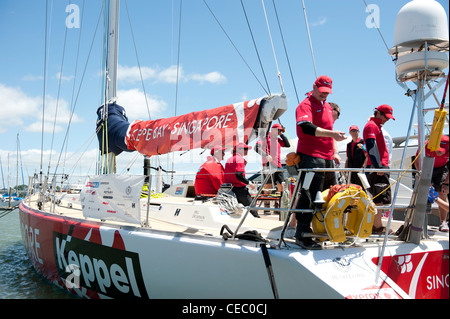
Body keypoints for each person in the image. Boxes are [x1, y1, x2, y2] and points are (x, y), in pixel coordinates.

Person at [294, 75, 346, 249]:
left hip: (327, 157)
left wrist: (334, 152)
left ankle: (324, 230)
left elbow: (330, 130)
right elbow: (305, 127)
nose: (325, 95)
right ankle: (302, 232)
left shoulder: (328, 108)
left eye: (327, 92)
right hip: (311, 155)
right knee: (310, 194)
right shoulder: (305, 105)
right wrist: (333, 135)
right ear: (314, 87)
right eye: (322, 91)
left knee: (329, 193)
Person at [363, 104, 395, 234]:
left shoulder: (376, 126)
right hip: (378, 168)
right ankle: (377, 227)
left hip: (380, 166)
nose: (386, 120)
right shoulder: (371, 125)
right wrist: (378, 166)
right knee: (379, 198)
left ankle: (376, 225)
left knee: (379, 198)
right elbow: (371, 146)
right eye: (385, 117)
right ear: (378, 113)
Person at [415, 135, 449, 232]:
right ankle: (419, 222)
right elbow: (417, 162)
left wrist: (446, 183)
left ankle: (443, 222)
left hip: (442, 168)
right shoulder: (426, 145)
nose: (438, 153)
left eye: (441, 151)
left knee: (443, 191)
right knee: (423, 192)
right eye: (437, 150)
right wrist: (425, 179)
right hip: (426, 166)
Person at [224, 142, 259, 218]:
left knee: (236, 213)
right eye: (245, 149)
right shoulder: (239, 159)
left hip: (230, 190)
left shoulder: (229, 159)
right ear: (239, 149)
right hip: (240, 190)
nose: (247, 151)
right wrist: (250, 183)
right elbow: (239, 175)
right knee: (253, 211)